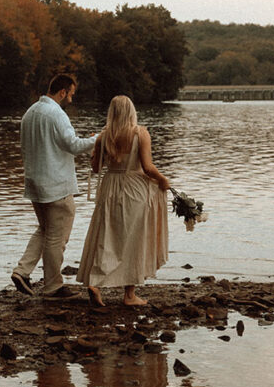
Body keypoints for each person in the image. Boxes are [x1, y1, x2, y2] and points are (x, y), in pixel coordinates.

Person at [77, 95, 169, 306]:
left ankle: (96, 283)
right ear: (131, 112)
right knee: (133, 239)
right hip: (134, 189)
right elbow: (147, 167)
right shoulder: (140, 134)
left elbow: (96, 168)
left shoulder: (103, 136)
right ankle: (129, 295)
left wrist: (93, 154)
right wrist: (163, 180)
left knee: (107, 235)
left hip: (110, 187)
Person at [12, 74, 97, 298]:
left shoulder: (30, 113)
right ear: (62, 92)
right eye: (70, 94)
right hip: (55, 184)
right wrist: (100, 138)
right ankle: (53, 286)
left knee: (45, 230)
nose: (71, 98)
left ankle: (22, 271)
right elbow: (74, 145)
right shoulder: (56, 114)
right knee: (56, 237)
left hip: (34, 182)